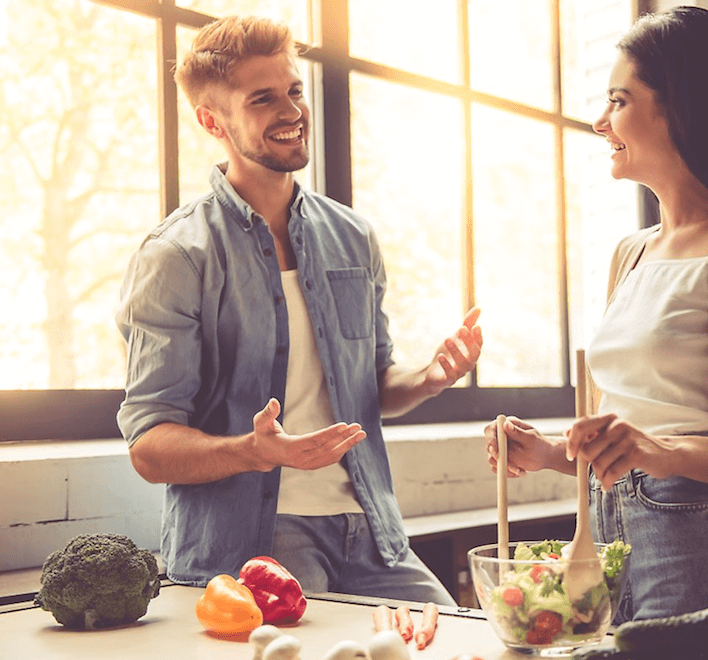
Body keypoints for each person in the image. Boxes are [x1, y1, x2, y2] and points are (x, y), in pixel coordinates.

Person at [484, 6, 708, 648]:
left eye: (618, 100)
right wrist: (549, 452)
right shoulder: (633, 252)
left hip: (699, 536)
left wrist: (663, 453)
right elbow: (637, 436)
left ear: (679, 107)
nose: (599, 122)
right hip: (609, 533)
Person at [116, 15, 482, 606]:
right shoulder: (178, 255)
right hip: (255, 546)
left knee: (458, 642)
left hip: (371, 531)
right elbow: (149, 446)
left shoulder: (353, 236)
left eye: (294, 90)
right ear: (212, 120)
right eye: (263, 98)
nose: (292, 110)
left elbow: (373, 385)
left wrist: (429, 378)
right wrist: (251, 451)